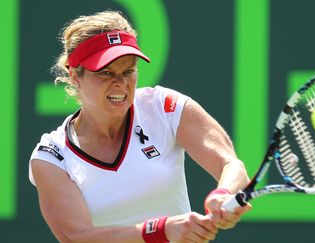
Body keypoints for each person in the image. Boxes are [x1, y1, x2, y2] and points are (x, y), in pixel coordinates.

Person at [29, 10, 251, 243]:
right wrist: (161, 230)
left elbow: (230, 164)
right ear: (75, 76)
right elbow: (77, 237)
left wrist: (224, 194)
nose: (121, 83)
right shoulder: (51, 157)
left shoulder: (164, 107)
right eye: (105, 73)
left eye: (128, 71)